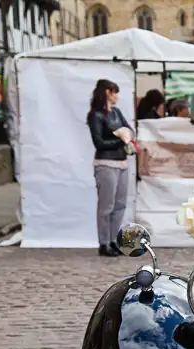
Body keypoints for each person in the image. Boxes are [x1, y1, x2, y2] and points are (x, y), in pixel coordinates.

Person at [87, 79, 135, 258]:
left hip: (121, 162)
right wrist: (120, 140)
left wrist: (126, 137)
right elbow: (99, 142)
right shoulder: (96, 115)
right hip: (106, 163)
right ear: (107, 92)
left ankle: (114, 240)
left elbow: (129, 130)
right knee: (106, 206)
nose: (116, 96)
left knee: (120, 204)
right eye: (115, 92)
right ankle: (104, 242)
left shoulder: (116, 112)